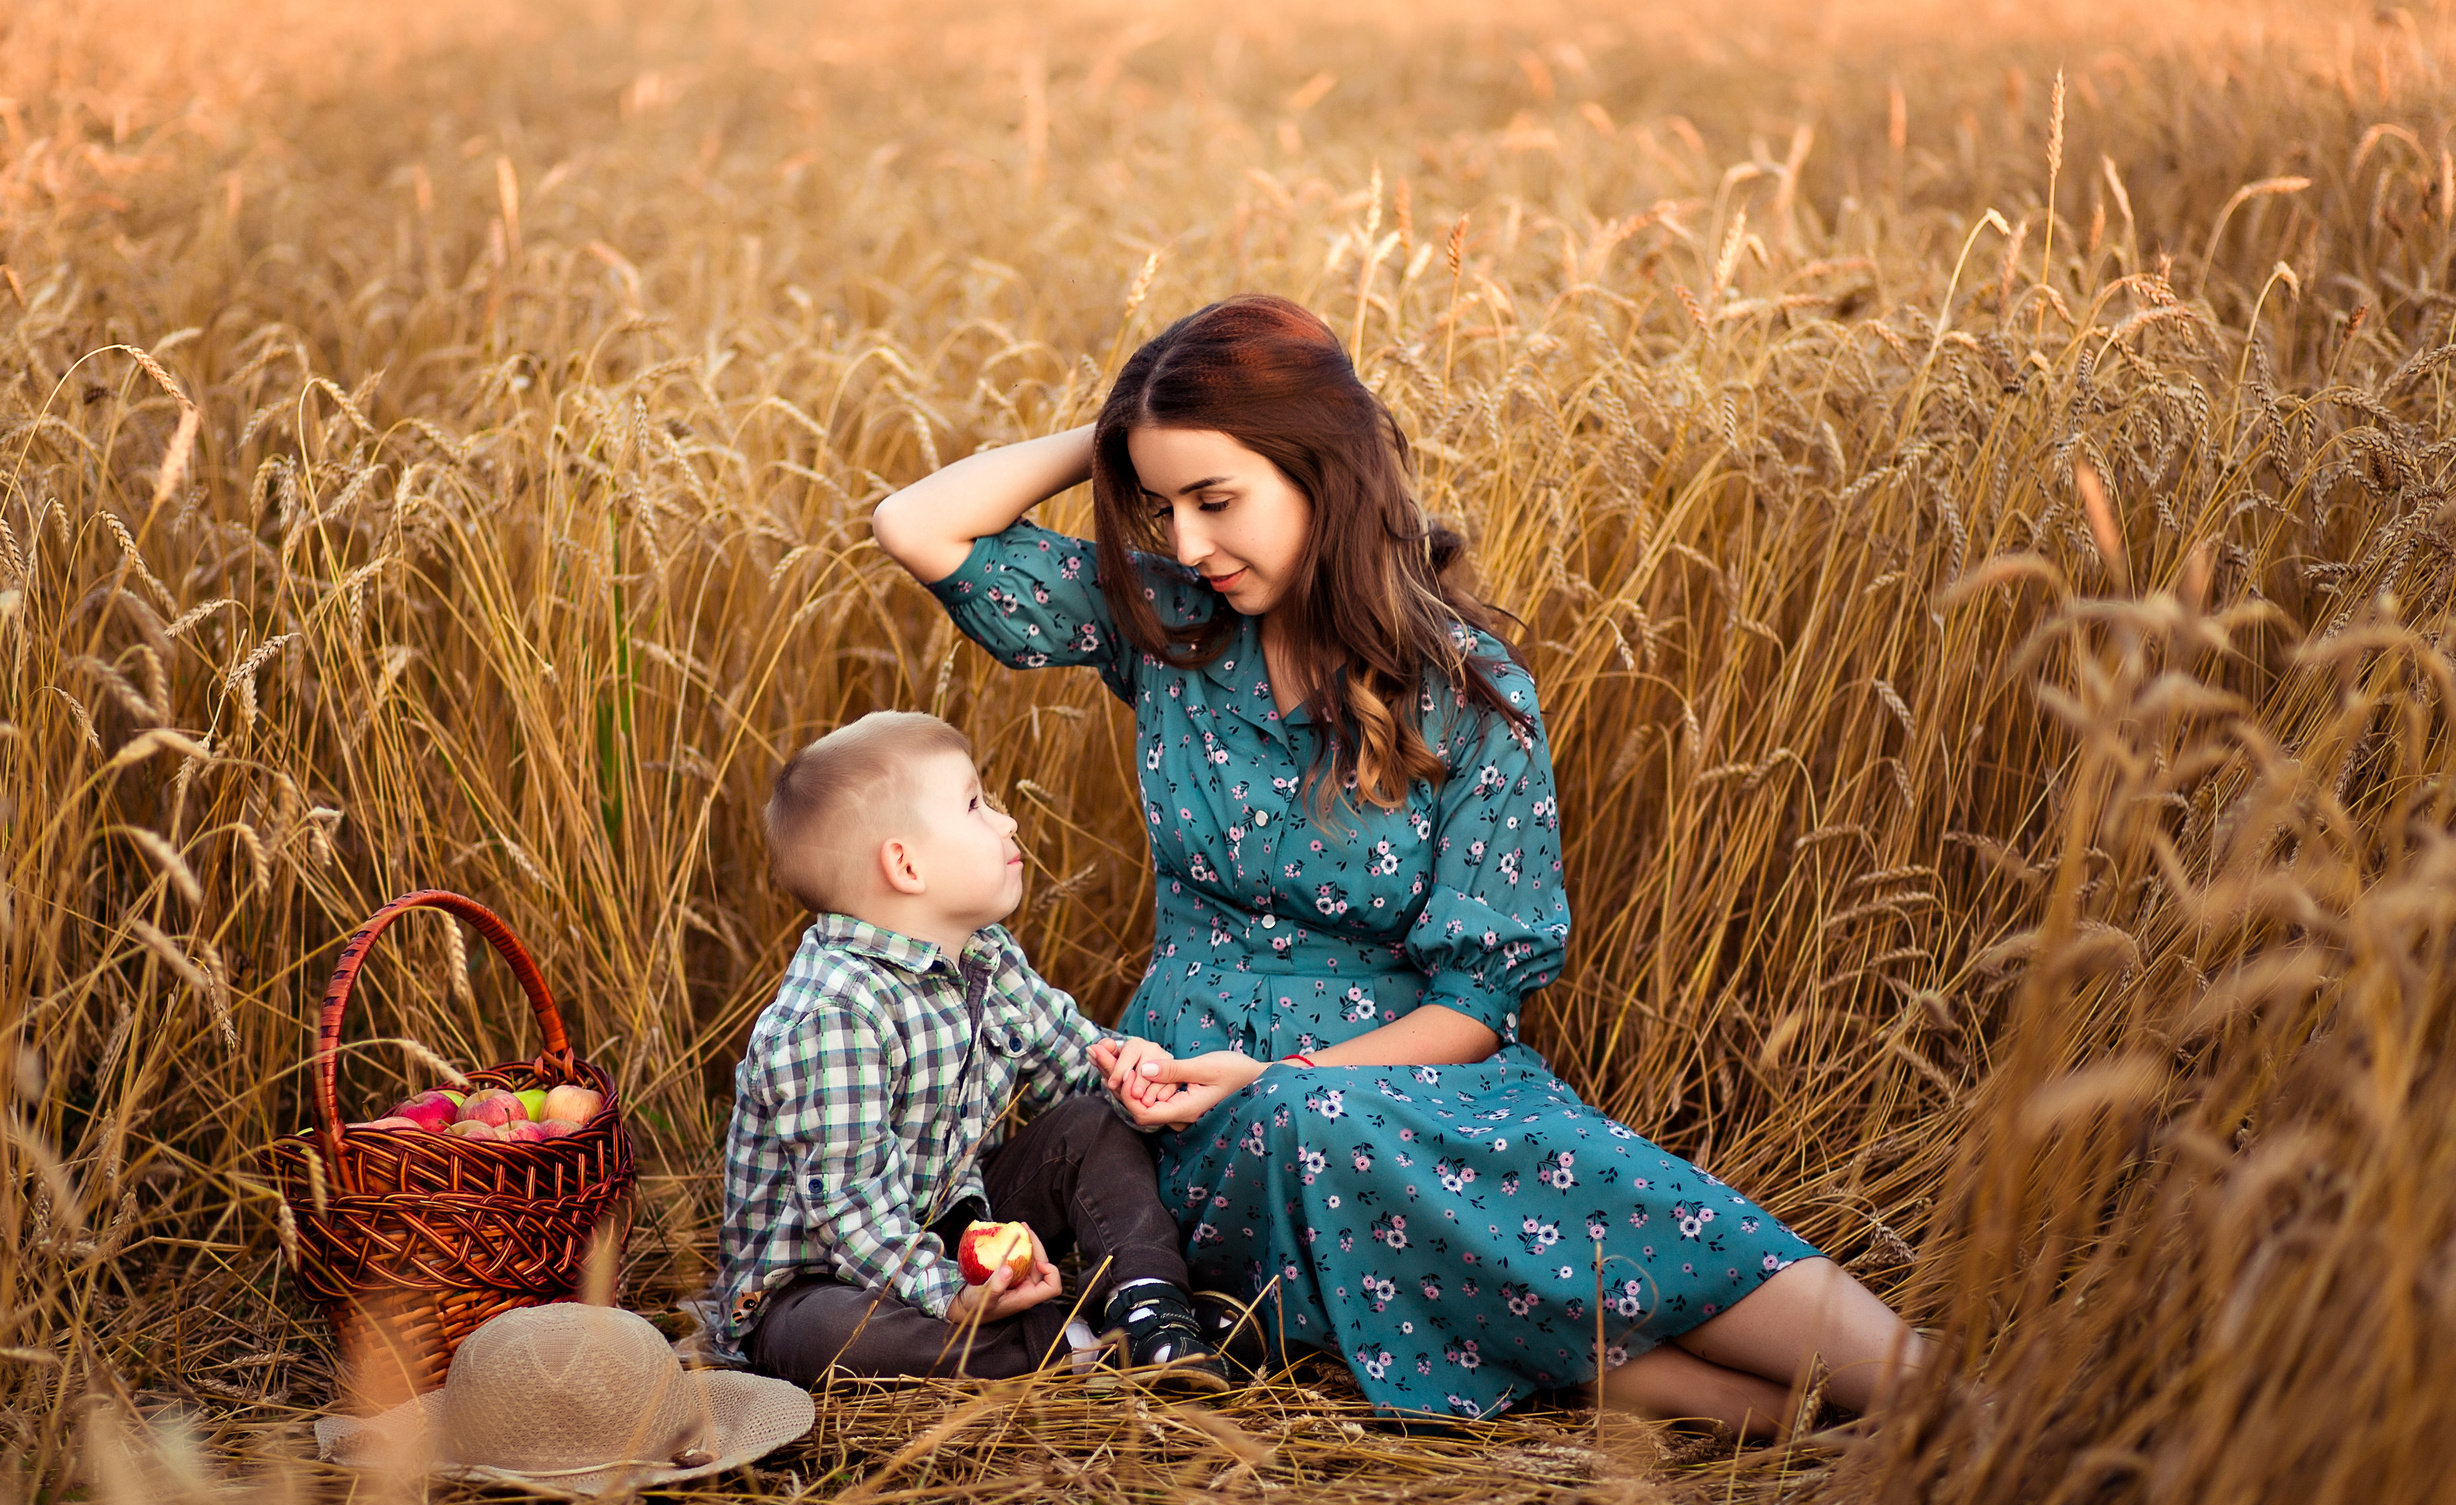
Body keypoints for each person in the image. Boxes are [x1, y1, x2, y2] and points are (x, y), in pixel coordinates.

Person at [870, 295, 1925, 1430]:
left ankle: (1910, 1393)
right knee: (1330, 1144)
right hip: (1193, 1108)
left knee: (1538, 1169)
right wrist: (1124, 433)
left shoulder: (1470, 690)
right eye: (1162, 507)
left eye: (1215, 499)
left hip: (1418, 1089)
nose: (1185, 544)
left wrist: (1291, 1076)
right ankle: (1823, 1408)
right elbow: (916, 524)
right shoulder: (1172, 629)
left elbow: (1475, 1003)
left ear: (1324, 470)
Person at [711, 710, 1244, 1390]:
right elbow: (853, 1218)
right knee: (823, 1336)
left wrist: (1136, 1074)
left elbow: (1073, 1059)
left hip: (956, 1220)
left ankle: (1153, 1308)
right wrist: (952, 1295)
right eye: (975, 805)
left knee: (1091, 1124)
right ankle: (1080, 1344)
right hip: (826, 1276)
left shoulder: (986, 953)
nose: (1007, 820)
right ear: (906, 866)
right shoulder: (831, 1016)